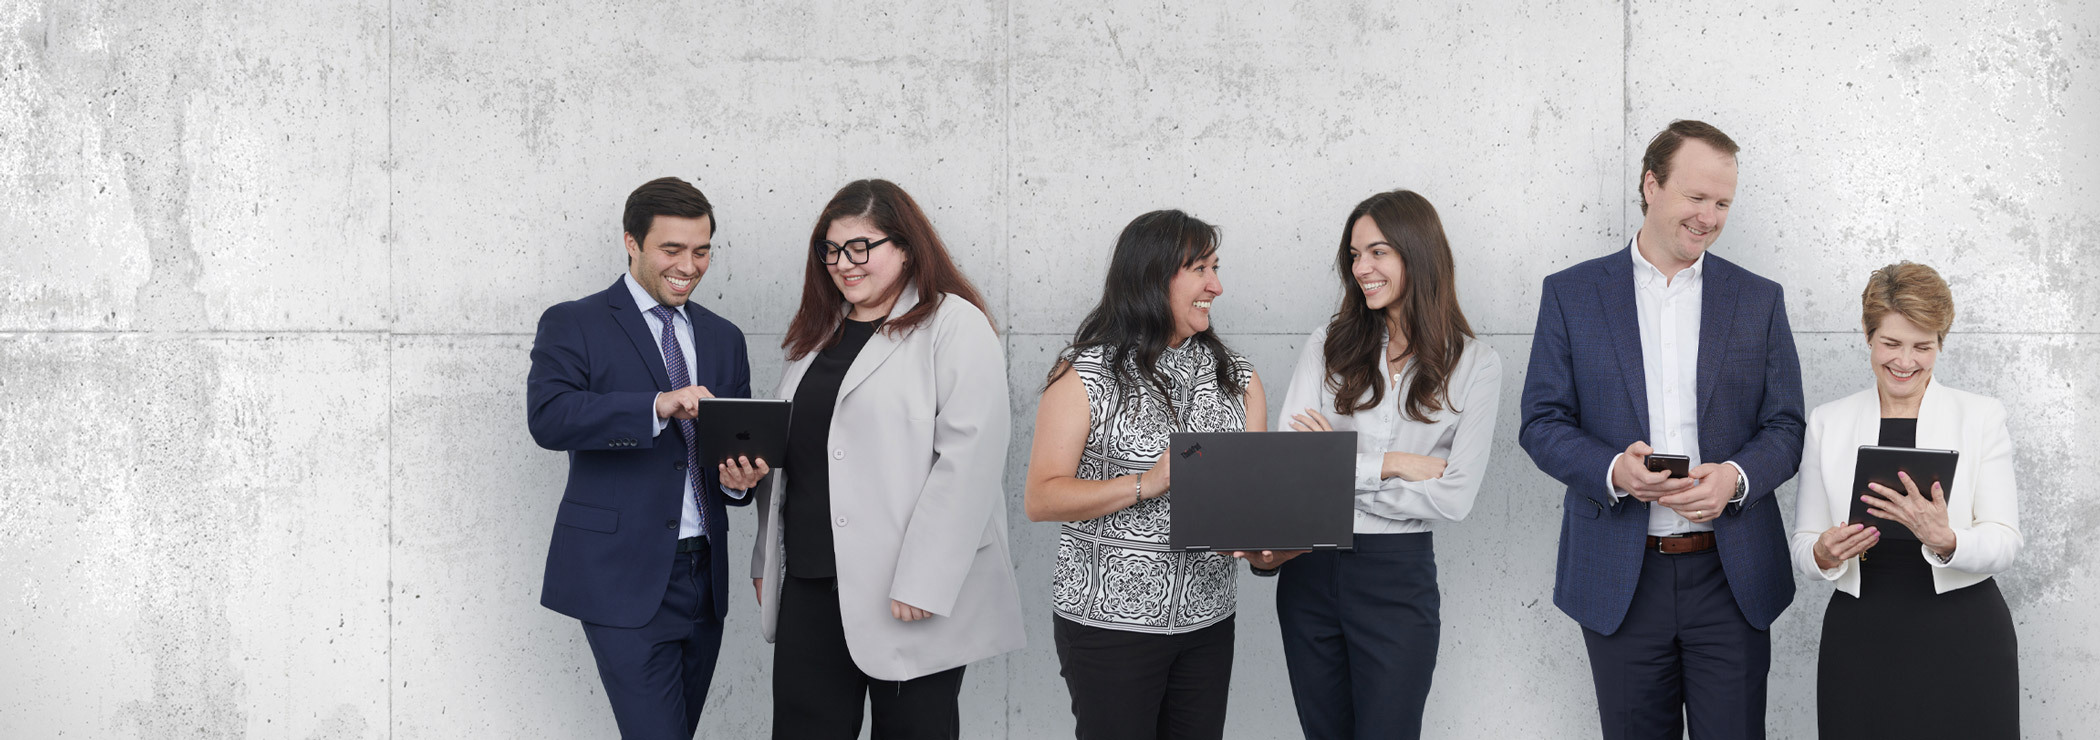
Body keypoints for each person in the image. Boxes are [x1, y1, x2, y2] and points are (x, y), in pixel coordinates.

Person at [1517, 120, 1805, 740]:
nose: (1709, 216)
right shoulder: (1572, 295)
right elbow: (1541, 422)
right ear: (1651, 185)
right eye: (1696, 197)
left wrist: (1736, 478)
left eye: (1723, 202)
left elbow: (1786, 425)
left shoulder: (1759, 300)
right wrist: (1611, 470)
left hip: (1732, 578)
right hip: (1621, 578)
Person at [748, 179, 1023, 740]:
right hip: (808, 581)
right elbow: (799, 459)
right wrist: (766, 558)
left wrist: (924, 580)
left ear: (905, 246)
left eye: (859, 247)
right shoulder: (817, 333)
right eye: (830, 249)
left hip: (904, 589)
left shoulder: (953, 324)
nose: (842, 263)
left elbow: (969, 461)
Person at [526, 176, 768, 739]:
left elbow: (732, 448)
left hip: (704, 577)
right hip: (621, 574)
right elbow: (550, 417)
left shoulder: (724, 338)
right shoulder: (575, 322)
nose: (690, 265)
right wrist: (657, 405)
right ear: (631, 242)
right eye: (672, 249)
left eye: (702, 250)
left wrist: (739, 482)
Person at [1022, 209, 1267, 740]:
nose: (1216, 286)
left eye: (1216, 268)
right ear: (1153, 276)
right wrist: (1146, 483)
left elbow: (1247, 507)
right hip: (1108, 624)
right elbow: (1041, 498)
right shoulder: (1084, 373)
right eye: (1200, 269)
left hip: (1207, 622)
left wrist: (1267, 541)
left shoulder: (1240, 379)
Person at [1272, 190, 1500, 740]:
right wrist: (1396, 465)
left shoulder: (1475, 364)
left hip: (1398, 575)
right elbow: (1288, 470)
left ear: (1418, 255)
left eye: (1377, 252)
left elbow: (1455, 497)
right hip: (1310, 568)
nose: (1361, 269)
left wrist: (1336, 467)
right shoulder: (1326, 345)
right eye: (1354, 255)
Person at [1789, 262, 2021, 738]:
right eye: (1891, 343)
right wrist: (1823, 553)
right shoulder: (1828, 422)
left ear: (1940, 344)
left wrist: (1948, 540)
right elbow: (1804, 544)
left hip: (1963, 633)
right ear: (1868, 337)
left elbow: (2005, 539)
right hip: (1861, 635)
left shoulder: (1980, 417)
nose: (1905, 361)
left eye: (1923, 346)